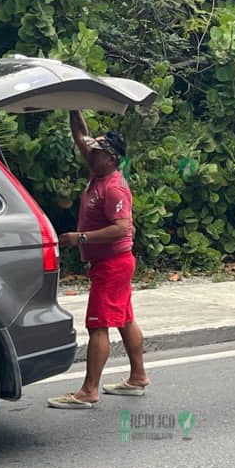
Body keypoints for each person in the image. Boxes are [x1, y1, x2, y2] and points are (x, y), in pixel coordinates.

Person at [47, 112, 149, 409]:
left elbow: (122, 228)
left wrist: (80, 238)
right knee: (125, 319)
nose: (91, 153)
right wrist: (72, 105)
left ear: (113, 159)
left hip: (113, 265)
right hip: (112, 264)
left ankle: (88, 391)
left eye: (99, 152)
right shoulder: (98, 173)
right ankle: (138, 378)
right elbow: (81, 137)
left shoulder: (113, 187)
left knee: (98, 325)